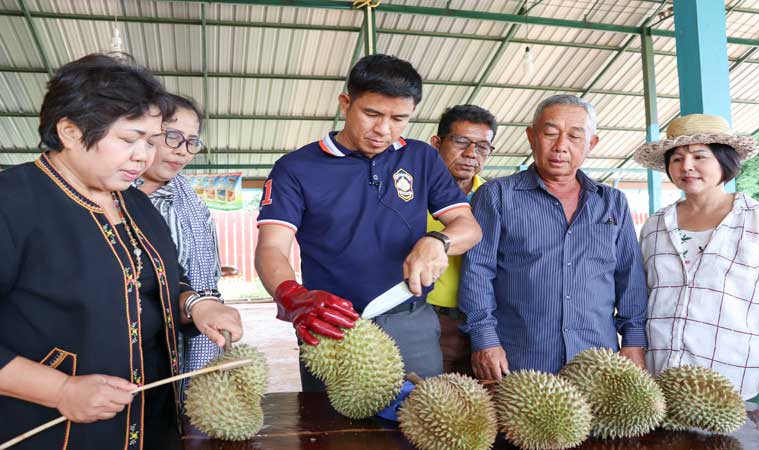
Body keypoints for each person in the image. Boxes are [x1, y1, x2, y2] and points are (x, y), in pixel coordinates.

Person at [0, 54, 243, 450]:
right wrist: (59, 389)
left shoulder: (136, 203)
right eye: (129, 140)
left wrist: (197, 306)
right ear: (71, 131)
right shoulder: (12, 203)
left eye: (150, 141)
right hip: (53, 430)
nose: (143, 157)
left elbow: (162, 281)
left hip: (152, 422)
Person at [254, 54, 482, 391]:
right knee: (332, 432)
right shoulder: (296, 168)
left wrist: (438, 241)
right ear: (346, 104)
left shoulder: (421, 158)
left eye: (399, 118)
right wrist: (292, 297)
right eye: (372, 114)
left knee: (422, 419)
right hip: (332, 328)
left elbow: (467, 225)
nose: (383, 130)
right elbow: (272, 247)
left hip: (411, 320)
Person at [460, 94, 648, 381]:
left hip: (597, 360)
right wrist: (484, 340)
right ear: (531, 136)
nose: (561, 146)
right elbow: (477, 272)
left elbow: (629, 277)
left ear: (591, 144)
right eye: (550, 134)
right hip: (518, 359)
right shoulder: (497, 196)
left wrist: (633, 342)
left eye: (575, 136)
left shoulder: (613, 202)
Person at [634, 113, 759, 429]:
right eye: (677, 158)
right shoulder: (656, 225)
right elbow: (644, 296)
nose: (687, 167)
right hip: (662, 382)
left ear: (724, 161)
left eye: (700, 156)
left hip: (733, 382)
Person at [135, 93, 224, 404]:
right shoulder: (113, 197)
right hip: (134, 341)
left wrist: (203, 304)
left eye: (191, 141)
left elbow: (200, 273)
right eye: (171, 136)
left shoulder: (191, 202)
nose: (181, 151)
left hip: (193, 329)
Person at [427, 104, 496, 375]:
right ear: (437, 143)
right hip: (429, 320)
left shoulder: (496, 199)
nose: (471, 154)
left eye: (482, 146)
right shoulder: (410, 197)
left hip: (486, 326)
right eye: (461, 142)